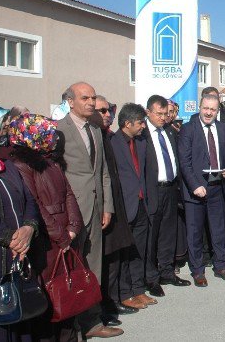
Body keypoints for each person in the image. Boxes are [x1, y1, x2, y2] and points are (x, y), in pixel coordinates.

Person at [8, 114, 84, 341]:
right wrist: (61, 236)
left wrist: (73, 226)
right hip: (46, 240)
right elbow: (36, 205)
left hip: (65, 232)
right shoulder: (21, 166)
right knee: (50, 294)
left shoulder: (50, 160)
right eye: (46, 132)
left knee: (68, 292)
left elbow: (68, 193)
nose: (52, 136)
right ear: (31, 135)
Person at [56, 82, 120, 339]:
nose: (91, 102)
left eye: (93, 97)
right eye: (85, 98)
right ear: (70, 101)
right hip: (72, 212)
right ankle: (71, 329)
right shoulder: (60, 130)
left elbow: (102, 172)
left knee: (93, 265)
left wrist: (107, 207)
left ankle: (92, 322)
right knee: (71, 269)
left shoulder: (95, 129)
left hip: (95, 209)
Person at [178, 93, 225, 287]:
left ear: (217, 110)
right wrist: (195, 185)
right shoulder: (188, 130)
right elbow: (184, 162)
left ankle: (221, 266)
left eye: (213, 109)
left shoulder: (224, 129)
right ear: (199, 107)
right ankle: (197, 270)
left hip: (217, 188)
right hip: (195, 190)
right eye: (206, 108)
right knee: (195, 232)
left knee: (219, 230)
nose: (209, 113)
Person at [89, 96, 138, 322]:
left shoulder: (107, 137)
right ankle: (103, 308)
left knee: (117, 258)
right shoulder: (93, 136)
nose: (107, 114)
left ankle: (115, 300)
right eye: (102, 110)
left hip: (115, 205)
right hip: (100, 209)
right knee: (105, 261)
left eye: (109, 110)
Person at [109, 104, 157, 310]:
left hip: (141, 205)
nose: (143, 126)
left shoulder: (141, 142)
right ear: (127, 124)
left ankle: (139, 290)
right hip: (124, 207)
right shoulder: (113, 143)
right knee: (125, 254)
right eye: (140, 123)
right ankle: (125, 293)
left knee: (140, 251)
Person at [143, 95, 190, 295]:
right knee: (151, 236)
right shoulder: (142, 134)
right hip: (152, 190)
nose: (163, 117)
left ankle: (167, 272)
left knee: (168, 233)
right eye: (159, 114)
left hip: (171, 188)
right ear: (148, 112)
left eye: (166, 114)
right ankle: (151, 278)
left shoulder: (169, 132)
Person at [0, 150, 39, 342]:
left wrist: (29, 227)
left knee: (20, 312)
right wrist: (10, 238)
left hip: (18, 255)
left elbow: (29, 199)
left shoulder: (8, 166)